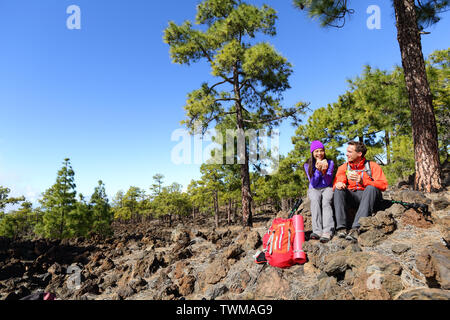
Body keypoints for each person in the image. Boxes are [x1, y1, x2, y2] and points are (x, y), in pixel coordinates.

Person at [333, 141, 388, 242]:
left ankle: (356, 228)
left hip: (370, 198)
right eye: (347, 151)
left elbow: (383, 185)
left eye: (350, 152)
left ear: (359, 154)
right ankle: (341, 228)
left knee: (371, 188)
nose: (346, 154)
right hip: (353, 196)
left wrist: (364, 181)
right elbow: (339, 178)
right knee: (338, 189)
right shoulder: (344, 167)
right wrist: (340, 183)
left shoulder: (372, 166)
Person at [304, 140, 335, 243]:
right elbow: (313, 183)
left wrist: (324, 171)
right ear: (312, 153)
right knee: (315, 201)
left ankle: (328, 231)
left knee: (326, 202)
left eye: (321, 151)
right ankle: (317, 231)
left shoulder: (330, 162)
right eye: (316, 151)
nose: (319, 153)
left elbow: (328, 181)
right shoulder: (307, 165)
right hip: (314, 188)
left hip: (327, 187)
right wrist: (317, 170)